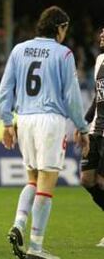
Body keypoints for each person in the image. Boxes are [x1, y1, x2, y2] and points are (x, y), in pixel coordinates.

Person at [0, 6, 90, 259]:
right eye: (65, 29)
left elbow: (5, 90)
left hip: (23, 119)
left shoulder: (19, 49)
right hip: (50, 120)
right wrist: (82, 127)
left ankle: (18, 223)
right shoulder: (64, 53)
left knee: (32, 179)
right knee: (46, 184)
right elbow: (71, 96)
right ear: (59, 28)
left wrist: (7, 123)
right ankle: (36, 247)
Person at [79, 27, 104, 248]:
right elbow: (99, 96)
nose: (102, 35)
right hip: (96, 130)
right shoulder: (100, 60)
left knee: (103, 181)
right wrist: (84, 123)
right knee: (87, 179)